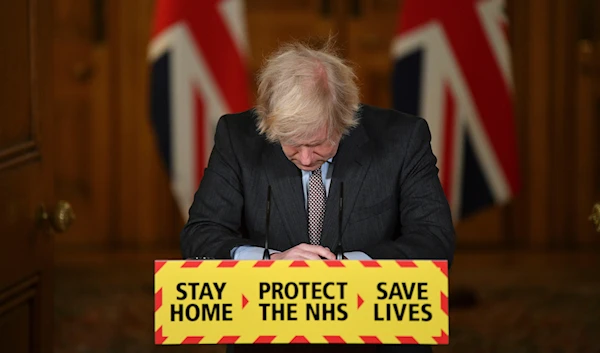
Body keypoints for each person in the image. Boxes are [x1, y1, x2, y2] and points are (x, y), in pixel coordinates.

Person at [180, 40, 455, 353]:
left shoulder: (403, 139)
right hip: (270, 334)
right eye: (292, 145)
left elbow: (435, 241)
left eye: (319, 143)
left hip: (377, 336)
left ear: (345, 118)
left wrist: (349, 267)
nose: (307, 159)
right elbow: (200, 237)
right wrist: (270, 263)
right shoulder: (237, 138)